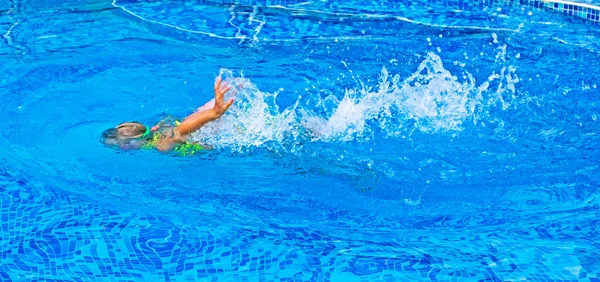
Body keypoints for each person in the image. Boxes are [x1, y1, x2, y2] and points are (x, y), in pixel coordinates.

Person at [101, 76, 234, 154]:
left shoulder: (160, 145)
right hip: (196, 125)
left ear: (131, 143)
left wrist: (214, 114)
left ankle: (216, 110)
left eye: (120, 147)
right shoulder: (155, 129)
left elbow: (180, 131)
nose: (122, 150)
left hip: (207, 137)